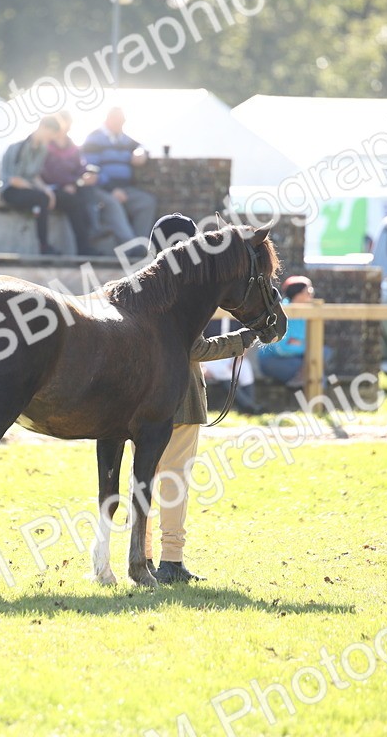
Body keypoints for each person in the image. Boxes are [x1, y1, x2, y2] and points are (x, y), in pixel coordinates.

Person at [144, 213, 259, 584]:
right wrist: (239, 341)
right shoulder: (183, 289)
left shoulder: (141, 286)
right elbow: (193, 347)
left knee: (141, 480)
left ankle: (140, 557)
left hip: (137, 399)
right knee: (175, 480)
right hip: (179, 398)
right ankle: (171, 560)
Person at [82, 107, 158, 248]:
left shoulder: (124, 139)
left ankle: (142, 246)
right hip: (102, 188)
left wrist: (140, 152)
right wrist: (112, 189)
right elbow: (92, 170)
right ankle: (130, 247)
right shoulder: (94, 139)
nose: (121, 125)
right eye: (119, 121)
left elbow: (141, 147)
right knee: (113, 204)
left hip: (126, 188)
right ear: (109, 120)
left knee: (146, 202)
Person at [0, 116, 64, 255]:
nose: (51, 139)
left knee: (48, 197)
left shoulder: (42, 150)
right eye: (51, 135)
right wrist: (40, 192)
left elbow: (34, 176)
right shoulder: (18, 147)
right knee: (41, 199)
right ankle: (44, 246)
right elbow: (14, 180)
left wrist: (47, 190)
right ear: (44, 127)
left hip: (28, 190)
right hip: (11, 191)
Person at [39, 110, 98, 256]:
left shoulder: (72, 145)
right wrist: (68, 184)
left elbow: (80, 167)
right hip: (51, 189)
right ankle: (84, 247)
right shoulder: (46, 145)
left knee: (86, 195)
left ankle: (92, 235)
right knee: (75, 202)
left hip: (72, 187)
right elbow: (47, 172)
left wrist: (86, 175)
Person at [257, 275, 330, 387]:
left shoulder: (307, 311)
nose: (312, 294)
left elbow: (298, 343)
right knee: (313, 365)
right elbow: (281, 349)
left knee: (323, 353)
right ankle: (317, 398)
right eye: (309, 291)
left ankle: (304, 385)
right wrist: (306, 346)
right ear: (298, 294)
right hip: (274, 361)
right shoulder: (280, 311)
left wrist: (299, 344)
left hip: (297, 357)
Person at [203, 318, 263, 415]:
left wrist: (237, 360)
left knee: (246, 368)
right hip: (210, 357)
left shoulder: (236, 316)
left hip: (233, 355)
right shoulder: (210, 316)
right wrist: (201, 367)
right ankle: (250, 407)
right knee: (225, 372)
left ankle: (248, 409)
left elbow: (245, 342)